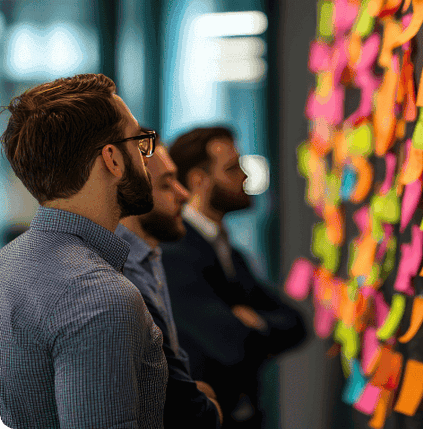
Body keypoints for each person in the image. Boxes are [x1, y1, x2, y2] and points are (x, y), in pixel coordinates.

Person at [0, 74, 167, 429]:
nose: (145, 157)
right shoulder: (100, 297)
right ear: (112, 159)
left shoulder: (7, 264)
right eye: (139, 142)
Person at [161, 126, 307, 428]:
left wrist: (256, 322)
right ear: (199, 180)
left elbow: (296, 323)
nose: (245, 177)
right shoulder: (175, 254)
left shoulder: (230, 253)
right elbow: (234, 345)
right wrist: (251, 324)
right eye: (232, 168)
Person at [116, 133, 223, 428]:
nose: (184, 194)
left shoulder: (151, 256)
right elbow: (179, 401)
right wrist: (203, 402)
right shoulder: (121, 273)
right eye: (166, 184)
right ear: (128, 193)